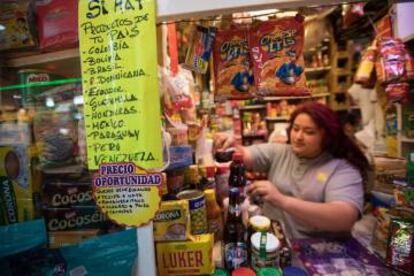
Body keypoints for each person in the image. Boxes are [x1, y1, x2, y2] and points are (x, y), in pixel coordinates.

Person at [214, 102, 370, 239]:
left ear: (327, 137)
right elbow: (244, 155)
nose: (298, 137)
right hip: (274, 243)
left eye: (309, 132)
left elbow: (344, 217)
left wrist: (282, 200)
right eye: (295, 129)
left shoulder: (341, 169)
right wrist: (231, 144)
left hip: (320, 252)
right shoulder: (281, 152)